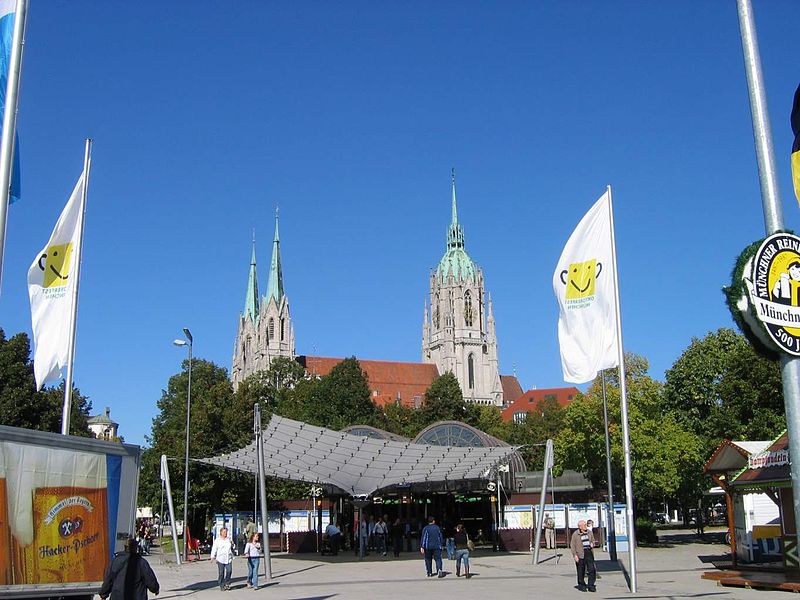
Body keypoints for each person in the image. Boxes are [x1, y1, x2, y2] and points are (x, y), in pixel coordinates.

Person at [570, 520, 596, 592]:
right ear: (580, 527)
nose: (585, 526)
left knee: (592, 569)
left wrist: (592, 544)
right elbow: (572, 545)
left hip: (589, 552)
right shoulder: (576, 534)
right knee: (581, 570)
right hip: (580, 553)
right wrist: (575, 555)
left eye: (585, 525)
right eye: (584, 525)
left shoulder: (589, 532)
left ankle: (591, 585)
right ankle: (582, 585)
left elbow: (593, 540)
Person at [211, 527, 236, 591]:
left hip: (228, 558)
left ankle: (227, 583)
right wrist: (212, 557)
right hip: (220, 558)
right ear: (221, 533)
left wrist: (232, 543)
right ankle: (221, 584)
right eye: (224, 532)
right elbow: (214, 548)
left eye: (226, 532)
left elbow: (233, 547)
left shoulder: (228, 539)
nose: (225, 533)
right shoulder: (217, 540)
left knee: (229, 571)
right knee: (221, 573)